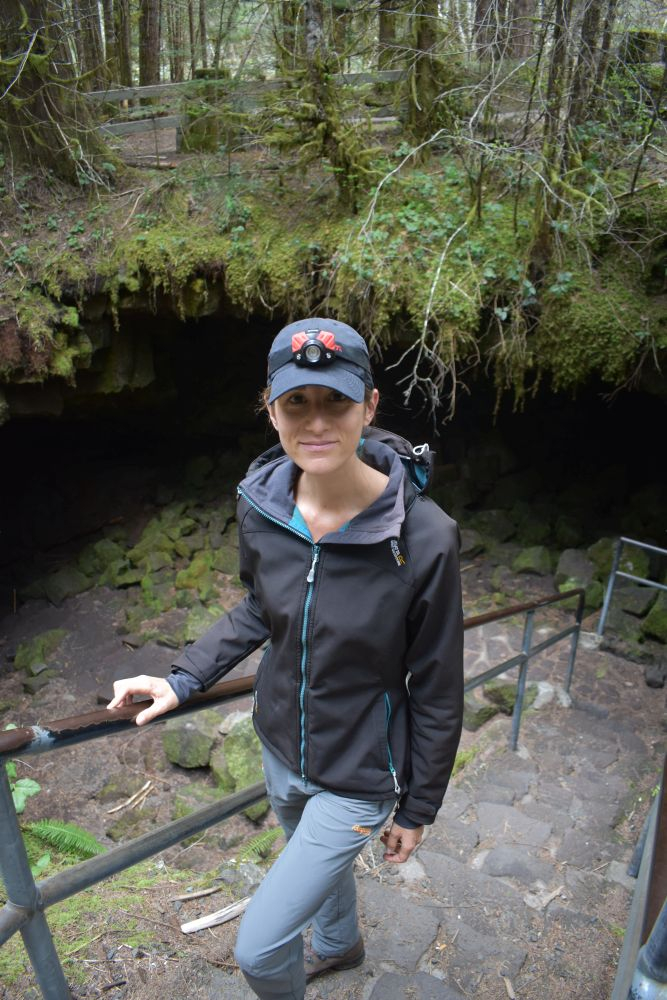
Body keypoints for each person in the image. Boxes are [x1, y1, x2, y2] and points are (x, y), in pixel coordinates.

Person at [107, 317, 464, 1000]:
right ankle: (339, 945)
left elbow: (438, 683)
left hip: (359, 771)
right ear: (270, 409)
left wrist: (418, 807)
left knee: (261, 947)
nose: (316, 421)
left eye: (336, 401)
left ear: (369, 406)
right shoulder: (262, 502)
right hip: (277, 745)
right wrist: (183, 678)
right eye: (296, 401)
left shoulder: (423, 536)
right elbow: (257, 607)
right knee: (318, 878)